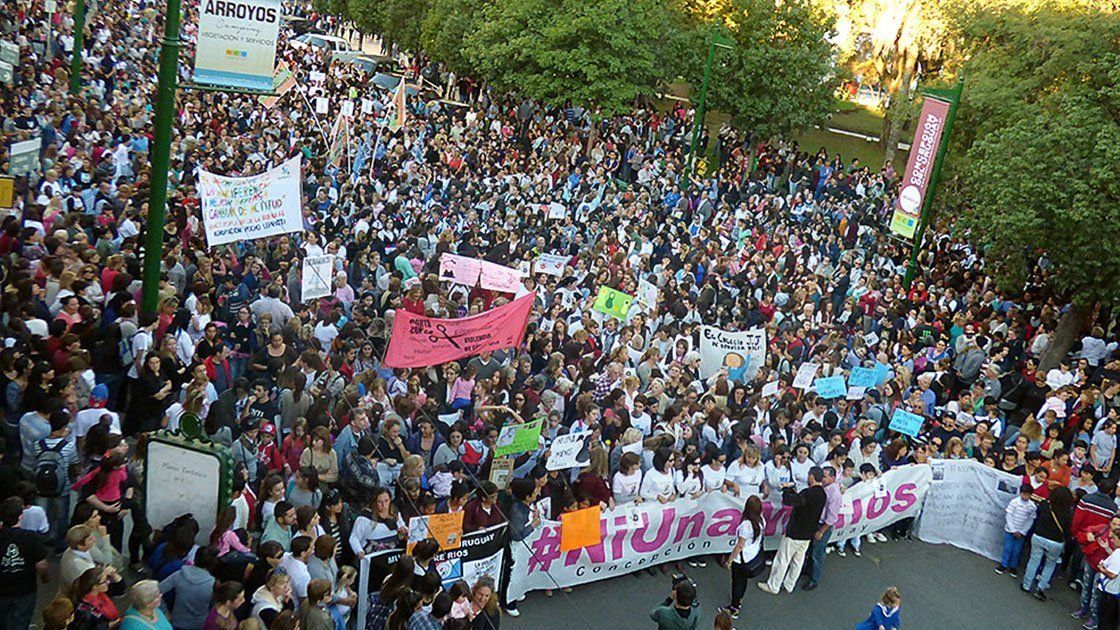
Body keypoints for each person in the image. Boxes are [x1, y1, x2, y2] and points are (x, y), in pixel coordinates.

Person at [759, 466, 826, 594]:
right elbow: (800, 501)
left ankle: (773, 585)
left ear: (811, 476)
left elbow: (789, 501)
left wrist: (786, 489)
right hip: (808, 533)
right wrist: (794, 493)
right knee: (797, 561)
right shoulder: (822, 494)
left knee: (782, 559)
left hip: (796, 532)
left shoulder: (808, 493)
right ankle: (789, 585)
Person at [0, 497, 48, 629]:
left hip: (2, 589)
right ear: (20, 516)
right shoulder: (31, 537)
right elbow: (41, 565)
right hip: (25, 589)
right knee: (20, 622)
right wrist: (44, 577)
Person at [1022, 486, 1074, 600]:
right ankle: (1040, 588)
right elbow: (1068, 529)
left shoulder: (1045, 505)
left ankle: (1026, 584)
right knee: (1050, 564)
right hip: (1056, 541)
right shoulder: (1069, 512)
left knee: (1034, 560)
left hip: (1039, 535)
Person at [722, 495, 765, 620]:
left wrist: (729, 560)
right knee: (743, 581)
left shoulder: (746, 525)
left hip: (741, 559)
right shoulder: (761, 520)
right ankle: (739, 600)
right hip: (752, 555)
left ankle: (734, 608)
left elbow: (740, 545)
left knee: (737, 582)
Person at [159, 545, 219, 630]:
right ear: (212, 564)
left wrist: (165, 612)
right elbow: (214, 607)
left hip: (177, 622)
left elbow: (157, 590)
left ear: (195, 558)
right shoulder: (212, 584)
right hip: (199, 625)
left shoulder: (179, 574)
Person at [997, 484, 1038, 577]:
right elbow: (1009, 516)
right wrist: (1013, 530)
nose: (1025, 496)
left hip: (1021, 532)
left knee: (1017, 550)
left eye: (1028, 495)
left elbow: (1030, 520)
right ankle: (1003, 564)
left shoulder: (1032, 506)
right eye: (1024, 494)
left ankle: (1013, 566)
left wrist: (1023, 531)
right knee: (1007, 548)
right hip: (1010, 530)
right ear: (1020, 493)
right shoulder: (1014, 502)